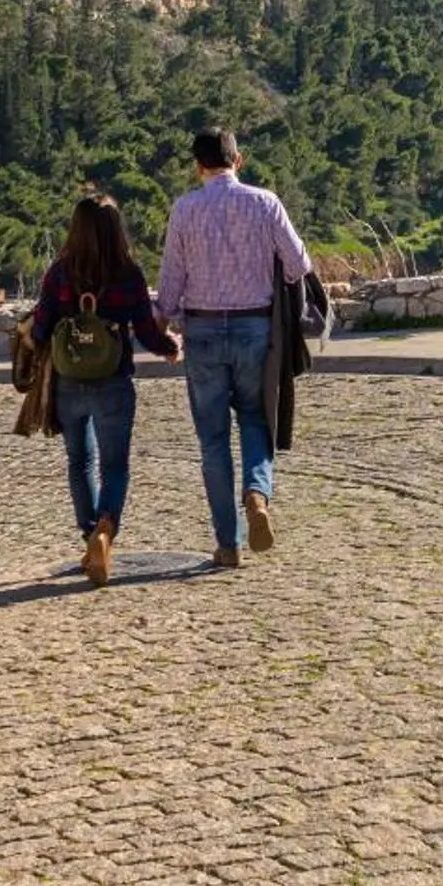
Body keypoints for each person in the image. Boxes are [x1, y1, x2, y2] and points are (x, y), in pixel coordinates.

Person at [156, 127, 310, 567]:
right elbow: (299, 264)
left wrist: (161, 327)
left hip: (202, 332)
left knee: (213, 440)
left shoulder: (184, 210)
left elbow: (170, 282)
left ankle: (229, 543)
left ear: (197, 166)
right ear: (238, 160)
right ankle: (258, 496)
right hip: (255, 330)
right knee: (256, 420)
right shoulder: (265, 203)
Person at [31, 193, 178, 584]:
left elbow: (42, 328)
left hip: (68, 383)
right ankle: (105, 530)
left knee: (80, 462)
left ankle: (89, 536)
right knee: (115, 465)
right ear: (116, 230)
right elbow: (146, 331)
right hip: (113, 381)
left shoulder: (59, 273)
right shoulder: (128, 273)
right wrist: (170, 348)